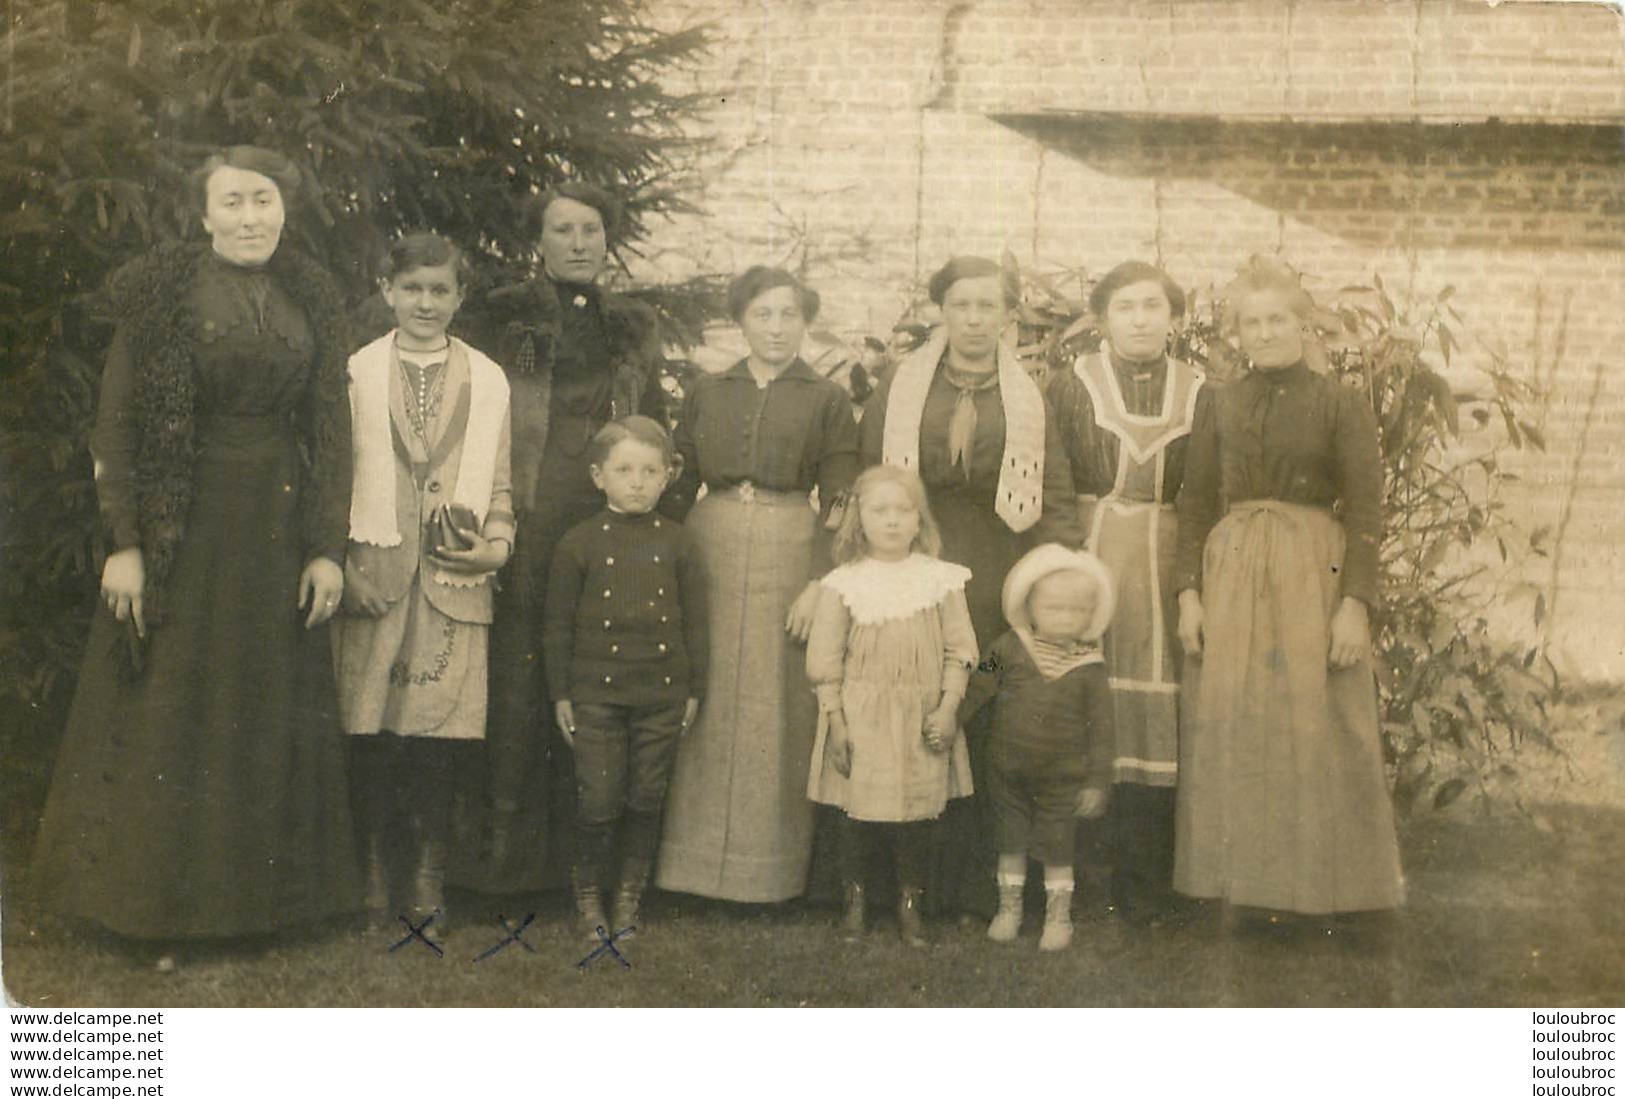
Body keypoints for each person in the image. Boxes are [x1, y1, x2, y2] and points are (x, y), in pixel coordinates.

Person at [31, 146, 357, 966]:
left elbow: (330, 433)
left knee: (262, 706)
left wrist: (326, 549)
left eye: (265, 202)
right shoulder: (162, 291)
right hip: (186, 524)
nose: (252, 217)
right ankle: (160, 914)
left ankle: (260, 907)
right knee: (177, 709)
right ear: (203, 214)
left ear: (287, 210)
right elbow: (115, 425)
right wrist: (128, 545)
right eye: (234, 202)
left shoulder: (311, 293)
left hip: (275, 527)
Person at [1173, 265, 1404, 918]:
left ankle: (1333, 891)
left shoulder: (1340, 403)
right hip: (1233, 568)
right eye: (1251, 321)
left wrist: (1355, 604)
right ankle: (1243, 891)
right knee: (1236, 718)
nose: (1265, 331)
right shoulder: (1215, 401)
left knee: (1320, 722)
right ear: (1235, 332)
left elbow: (1365, 510)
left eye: (1278, 319)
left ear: (1305, 326)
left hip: (1313, 571)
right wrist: (1187, 594)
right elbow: (1193, 504)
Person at [859, 255, 1080, 919]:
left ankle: (977, 881)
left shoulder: (1026, 394)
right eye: (961, 305)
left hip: (993, 569)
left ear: (1008, 317)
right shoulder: (901, 386)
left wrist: (1054, 576)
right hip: (913, 553)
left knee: (980, 701)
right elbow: (868, 480)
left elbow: (1057, 491)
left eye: (989, 306)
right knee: (907, 698)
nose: (975, 319)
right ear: (940, 312)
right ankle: (901, 879)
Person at [470, 182, 670, 889]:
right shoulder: (504, 316)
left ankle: (583, 866)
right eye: (562, 230)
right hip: (532, 509)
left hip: (606, 515)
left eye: (590, 229)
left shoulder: (632, 324)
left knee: (594, 674)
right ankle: (503, 869)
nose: (578, 242)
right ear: (540, 241)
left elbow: (652, 420)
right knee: (522, 681)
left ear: (606, 239)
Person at [657, 266, 860, 902]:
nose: (776, 328)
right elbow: (679, 478)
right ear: (741, 320)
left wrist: (823, 581)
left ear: (807, 322)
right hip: (709, 538)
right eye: (763, 314)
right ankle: (686, 872)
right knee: (706, 687)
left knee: (778, 701)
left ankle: (766, 874)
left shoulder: (826, 399)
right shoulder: (709, 391)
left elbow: (842, 497)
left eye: (789, 315)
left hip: (790, 547)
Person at [331, 232, 513, 937]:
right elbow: (330, 480)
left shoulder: (488, 379)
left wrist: (495, 547)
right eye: (412, 289)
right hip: (374, 575)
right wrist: (341, 564)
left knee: (441, 734)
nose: (426, 303)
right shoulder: (354, 372)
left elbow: (499, 484)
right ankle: (374, 872)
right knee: (372, 728)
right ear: (386, 290)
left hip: (453, 579)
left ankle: (429, 873)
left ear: (460, 297)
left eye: (441, 291)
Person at [1045, 259, 1203, 924]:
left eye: (1152, 306)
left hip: (1167, 562)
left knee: (1161, 707)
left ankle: (1149, 879)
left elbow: (1206, 490)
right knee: (1081, 692)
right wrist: (1061, 562)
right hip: (1091, 552)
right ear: (1102, 319)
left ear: (1174, 319)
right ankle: (1076, 875)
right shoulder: (1068, 385)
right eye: (1124, 307)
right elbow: (1052, 481)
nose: (1139, 318)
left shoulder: (1202, 391)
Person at [543, 417, 707, 939]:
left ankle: (629, 898)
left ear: (668, 477)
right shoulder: (578, 544)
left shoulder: (681, 544)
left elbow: (697, 624)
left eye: (649, 471)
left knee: (646, 795)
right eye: (624, 470)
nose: (637, 481)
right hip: (596, 695)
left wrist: (694, 690)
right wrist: (561, 694)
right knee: (599, 797)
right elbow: (557, 628)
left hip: (661, 692)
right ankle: (589, 896)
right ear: (598, 476)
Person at [805, 465, 977, 947]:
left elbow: (962, 651)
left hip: (921, 717)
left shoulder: (941, 581)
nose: (893, 521)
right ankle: (855, 903)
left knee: (916, 817)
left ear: (920, 521)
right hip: (860, 716)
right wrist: (836, 720)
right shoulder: (844, 583)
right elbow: (824, 660)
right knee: (855, 815)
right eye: (880, 510)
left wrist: (948, 708)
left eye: (904, 511)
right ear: (859, 520)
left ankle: (910, 905)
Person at [961, 544, 1116, 951]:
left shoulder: (1090, 667)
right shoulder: (1007, 647)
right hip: (1007, 768)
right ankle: (1008, 910)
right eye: (1054, 608)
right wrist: (952, 717)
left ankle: (1058, 917)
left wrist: (1097, 782)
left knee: (1058, 845)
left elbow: (1102, 730)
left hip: (1063, 776)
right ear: (1030, 607)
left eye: (1077, 611)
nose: (1066, 618)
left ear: (1092, 615)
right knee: (1010, 840)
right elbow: (978, 685)